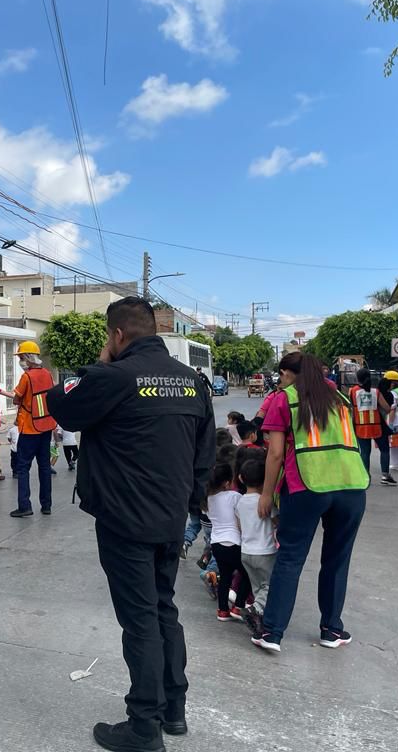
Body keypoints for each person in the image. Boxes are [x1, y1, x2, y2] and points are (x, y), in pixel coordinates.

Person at [46, 297, 215, 751]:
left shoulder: (114, 377)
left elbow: (60, 403)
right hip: (171, 519)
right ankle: (173, 710)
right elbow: (204, 456)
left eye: (109, 337)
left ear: (117, 335)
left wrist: (99, 365)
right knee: (163, 610)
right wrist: (188, 507)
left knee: (140, 620)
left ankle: (144, 725)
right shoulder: (192, 381)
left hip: (124, 520)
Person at [254, 351, 369, 654]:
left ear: (290, 374)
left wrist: (266, 494)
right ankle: (331, 630)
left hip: (306, 484)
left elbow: (275, 454)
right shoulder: (340, 399)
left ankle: (272, 633)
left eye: (282, 375)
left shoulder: (285, 399)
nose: (280, 380)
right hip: (351, 485)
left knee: (290, 558)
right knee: (337, 560)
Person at [10, 341, 57, 518]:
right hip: (45, 427)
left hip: (29, 429)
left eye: (21, 357)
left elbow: (16, 399)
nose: (20, 361)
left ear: (28, 358)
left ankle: (25, 506)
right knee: (44, 467)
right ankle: (46, 505)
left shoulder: (26, 377)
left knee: (23, 468)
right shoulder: (48, 374)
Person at [235, 453, 276, 639]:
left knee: (257, 587)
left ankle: (259, 618)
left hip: (246, 551)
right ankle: (255, 609)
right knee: (270, 585)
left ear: (241, 478)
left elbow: (239, 526)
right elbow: (276, 520)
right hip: (265, 551)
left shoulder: (240, 502)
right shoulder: (265, 501)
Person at [208, 461, 253, 623]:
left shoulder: (208, 499)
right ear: (227, 483)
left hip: (216, 544)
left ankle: (222, 610)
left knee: (225, 576)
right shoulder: (235, 497)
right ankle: (238, 606)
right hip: (234, 543)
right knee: (248, 574)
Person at [350, 368, 394, 486]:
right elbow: (387, 409)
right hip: (377, 426)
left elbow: (350, 408)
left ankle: (366, 477)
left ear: (357, 378)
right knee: (384, 450)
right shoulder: (376, 392)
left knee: (365, 452)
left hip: (360, 426)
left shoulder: (352, 391)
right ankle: (385, 475)